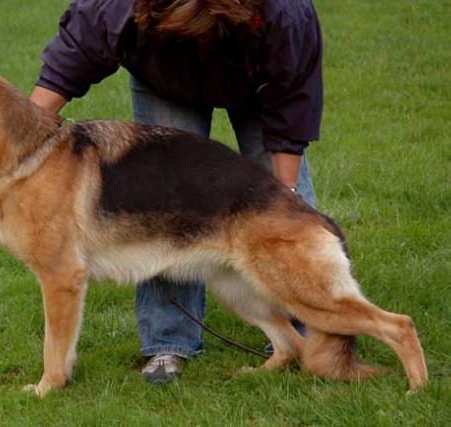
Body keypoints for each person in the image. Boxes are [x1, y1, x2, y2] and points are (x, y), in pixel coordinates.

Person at [30, 0, 322, 384]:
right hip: (165, 79)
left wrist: (285, 197)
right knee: (159, 206)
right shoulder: (122, 8)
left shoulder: (282, 16)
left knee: (285, 210)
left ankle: (310, 330)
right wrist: (22, 135)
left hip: (260, 80)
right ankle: (169, 341)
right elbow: (72, 56)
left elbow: (292, 108)